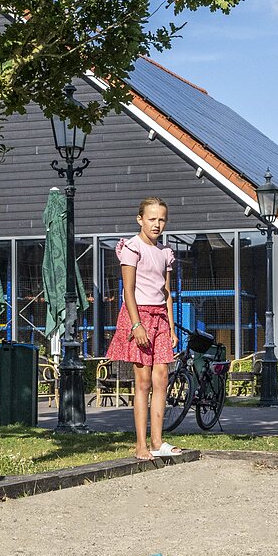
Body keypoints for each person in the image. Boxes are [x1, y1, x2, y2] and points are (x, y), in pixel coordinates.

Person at [105, 197, 180, 462]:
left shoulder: (165, 252)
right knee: (144, 382)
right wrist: (136, 324)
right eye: (152, 219)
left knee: (162, 378)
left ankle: (158, 441)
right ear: (140, 219)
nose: (157, 224)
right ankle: (140, 444)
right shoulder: (132, 248)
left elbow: (166, 291)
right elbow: (127, 290)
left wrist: (171, 326)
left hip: (160, 317)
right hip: (138, 316)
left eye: (161, 220)